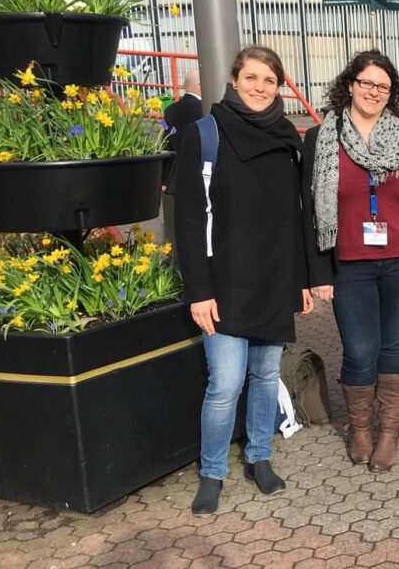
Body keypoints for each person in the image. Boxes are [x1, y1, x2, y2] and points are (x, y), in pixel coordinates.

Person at [174, 47, 316, 515]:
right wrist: (199, 291)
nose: (260, 87)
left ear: (279, 86)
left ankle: (259, 457)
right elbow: (190, 221)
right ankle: (212, 470)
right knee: (225, 384)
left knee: (266, 375)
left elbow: (294, 219)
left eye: (269, 80)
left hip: (274, 280)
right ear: (233, 81)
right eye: (251, 78)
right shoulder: (204, 134)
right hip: (224, 284)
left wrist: (301, 282)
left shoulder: (287, 137)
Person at [303, 50, 399, 472]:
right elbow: (309, 209)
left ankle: (388, 432)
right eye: (366, 83)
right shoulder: (320, 138)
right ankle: (360, 428)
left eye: (382, 86)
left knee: (393, 344)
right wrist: (318, 272)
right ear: (349, 85)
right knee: (359, 349)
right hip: (349, 264)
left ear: (391, 93)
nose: (373, 92)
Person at [162, 70, 203, 249]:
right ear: (200, 86)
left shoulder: (170, 110)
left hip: (176, 178)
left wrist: (165, 178)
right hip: (200, 175)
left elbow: (165, 142)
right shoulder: (205, 109)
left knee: (181, 227)